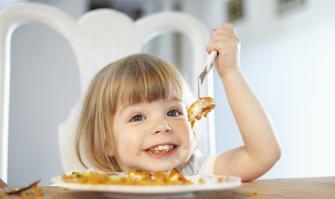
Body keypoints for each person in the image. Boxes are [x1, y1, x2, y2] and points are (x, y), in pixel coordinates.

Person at [75, 23, 281, 182]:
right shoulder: (97, 185)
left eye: (173, 112)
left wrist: (230, 72)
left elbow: (263, 155)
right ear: (106, 142)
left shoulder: (198, 172)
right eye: (138, 117)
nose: (163, 126)